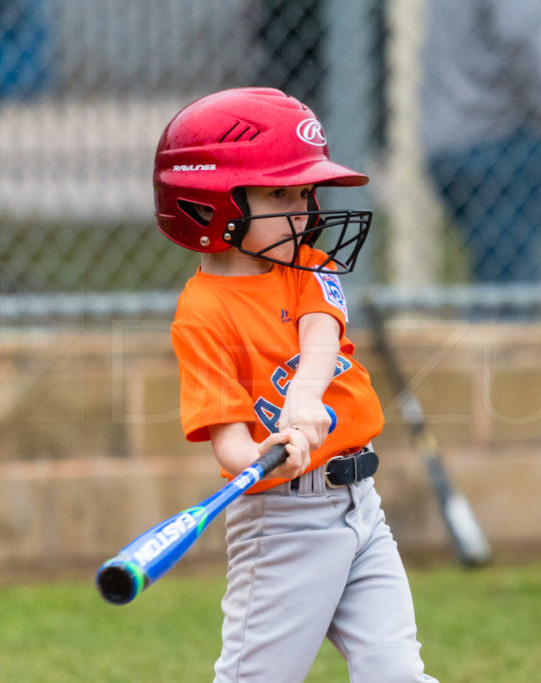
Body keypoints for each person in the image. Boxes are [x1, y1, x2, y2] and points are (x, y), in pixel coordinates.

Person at [153, 87, 437, 683]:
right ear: (212, 204)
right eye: (280, 192)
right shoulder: (202, 315)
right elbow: (227, 444)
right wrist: (260, 458)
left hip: (363, 508)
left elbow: (319, 338)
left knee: (397, 675)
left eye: (305, 191)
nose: (305, 209)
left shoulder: (307, 267)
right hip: (282, 524)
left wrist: (303, 399)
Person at [421, 0, 541, 283]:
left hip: (447, 137)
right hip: (497, 138)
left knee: (494, 276)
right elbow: (522, 36)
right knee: (509, 291)